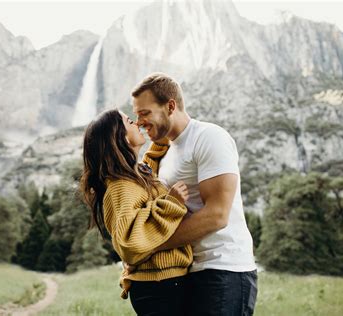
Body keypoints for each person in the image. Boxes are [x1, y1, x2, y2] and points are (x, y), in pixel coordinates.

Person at [132, 73, 258, 316]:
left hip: (224, 269)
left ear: (170, 106)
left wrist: (150, 245)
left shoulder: (209, 137)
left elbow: (217, 215)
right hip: (190, 271)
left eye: (144, 113)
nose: (139, 122)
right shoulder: (166, 154)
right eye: (136, 116)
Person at [80, 109, 193, 315]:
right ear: (121, 137)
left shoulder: (135, 174)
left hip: (165, 283)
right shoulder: (121, 186)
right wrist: (171, 204)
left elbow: (147, 169)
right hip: (159, 287)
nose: (138, 124)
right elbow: (129, 242)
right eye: (130, 122)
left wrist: (160, 140)